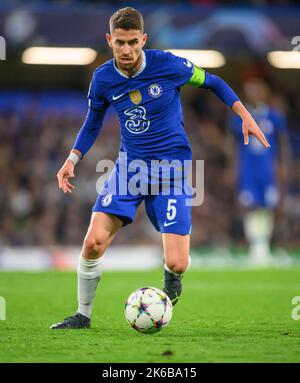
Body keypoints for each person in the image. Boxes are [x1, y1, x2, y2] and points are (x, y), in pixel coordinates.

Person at [51, 7, 269, 329]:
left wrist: (244, 114)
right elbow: (93, 123)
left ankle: (172, 275)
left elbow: (213, 82)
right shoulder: (103, 79)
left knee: (177, 261)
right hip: (131, 169)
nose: (127, 50)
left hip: (173, 171)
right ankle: (83, 315)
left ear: (144, 40)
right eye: (120, 43)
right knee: (93, 241)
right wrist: (72, 159)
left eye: (133, 43)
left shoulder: (168, 65)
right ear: (110, 40)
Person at [228, 78, 290, 266]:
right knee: (250, 206)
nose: (254, 93)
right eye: (251, 90)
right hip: (248, 169)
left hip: (267, 168)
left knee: (269, 206)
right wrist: (232, 167)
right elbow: (232, 144)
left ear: (265, 92)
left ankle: (264, 244)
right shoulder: (239, 116)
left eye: (258, 90)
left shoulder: (274, 115)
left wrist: (284, 165)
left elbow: (282, 141)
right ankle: (257, 245)